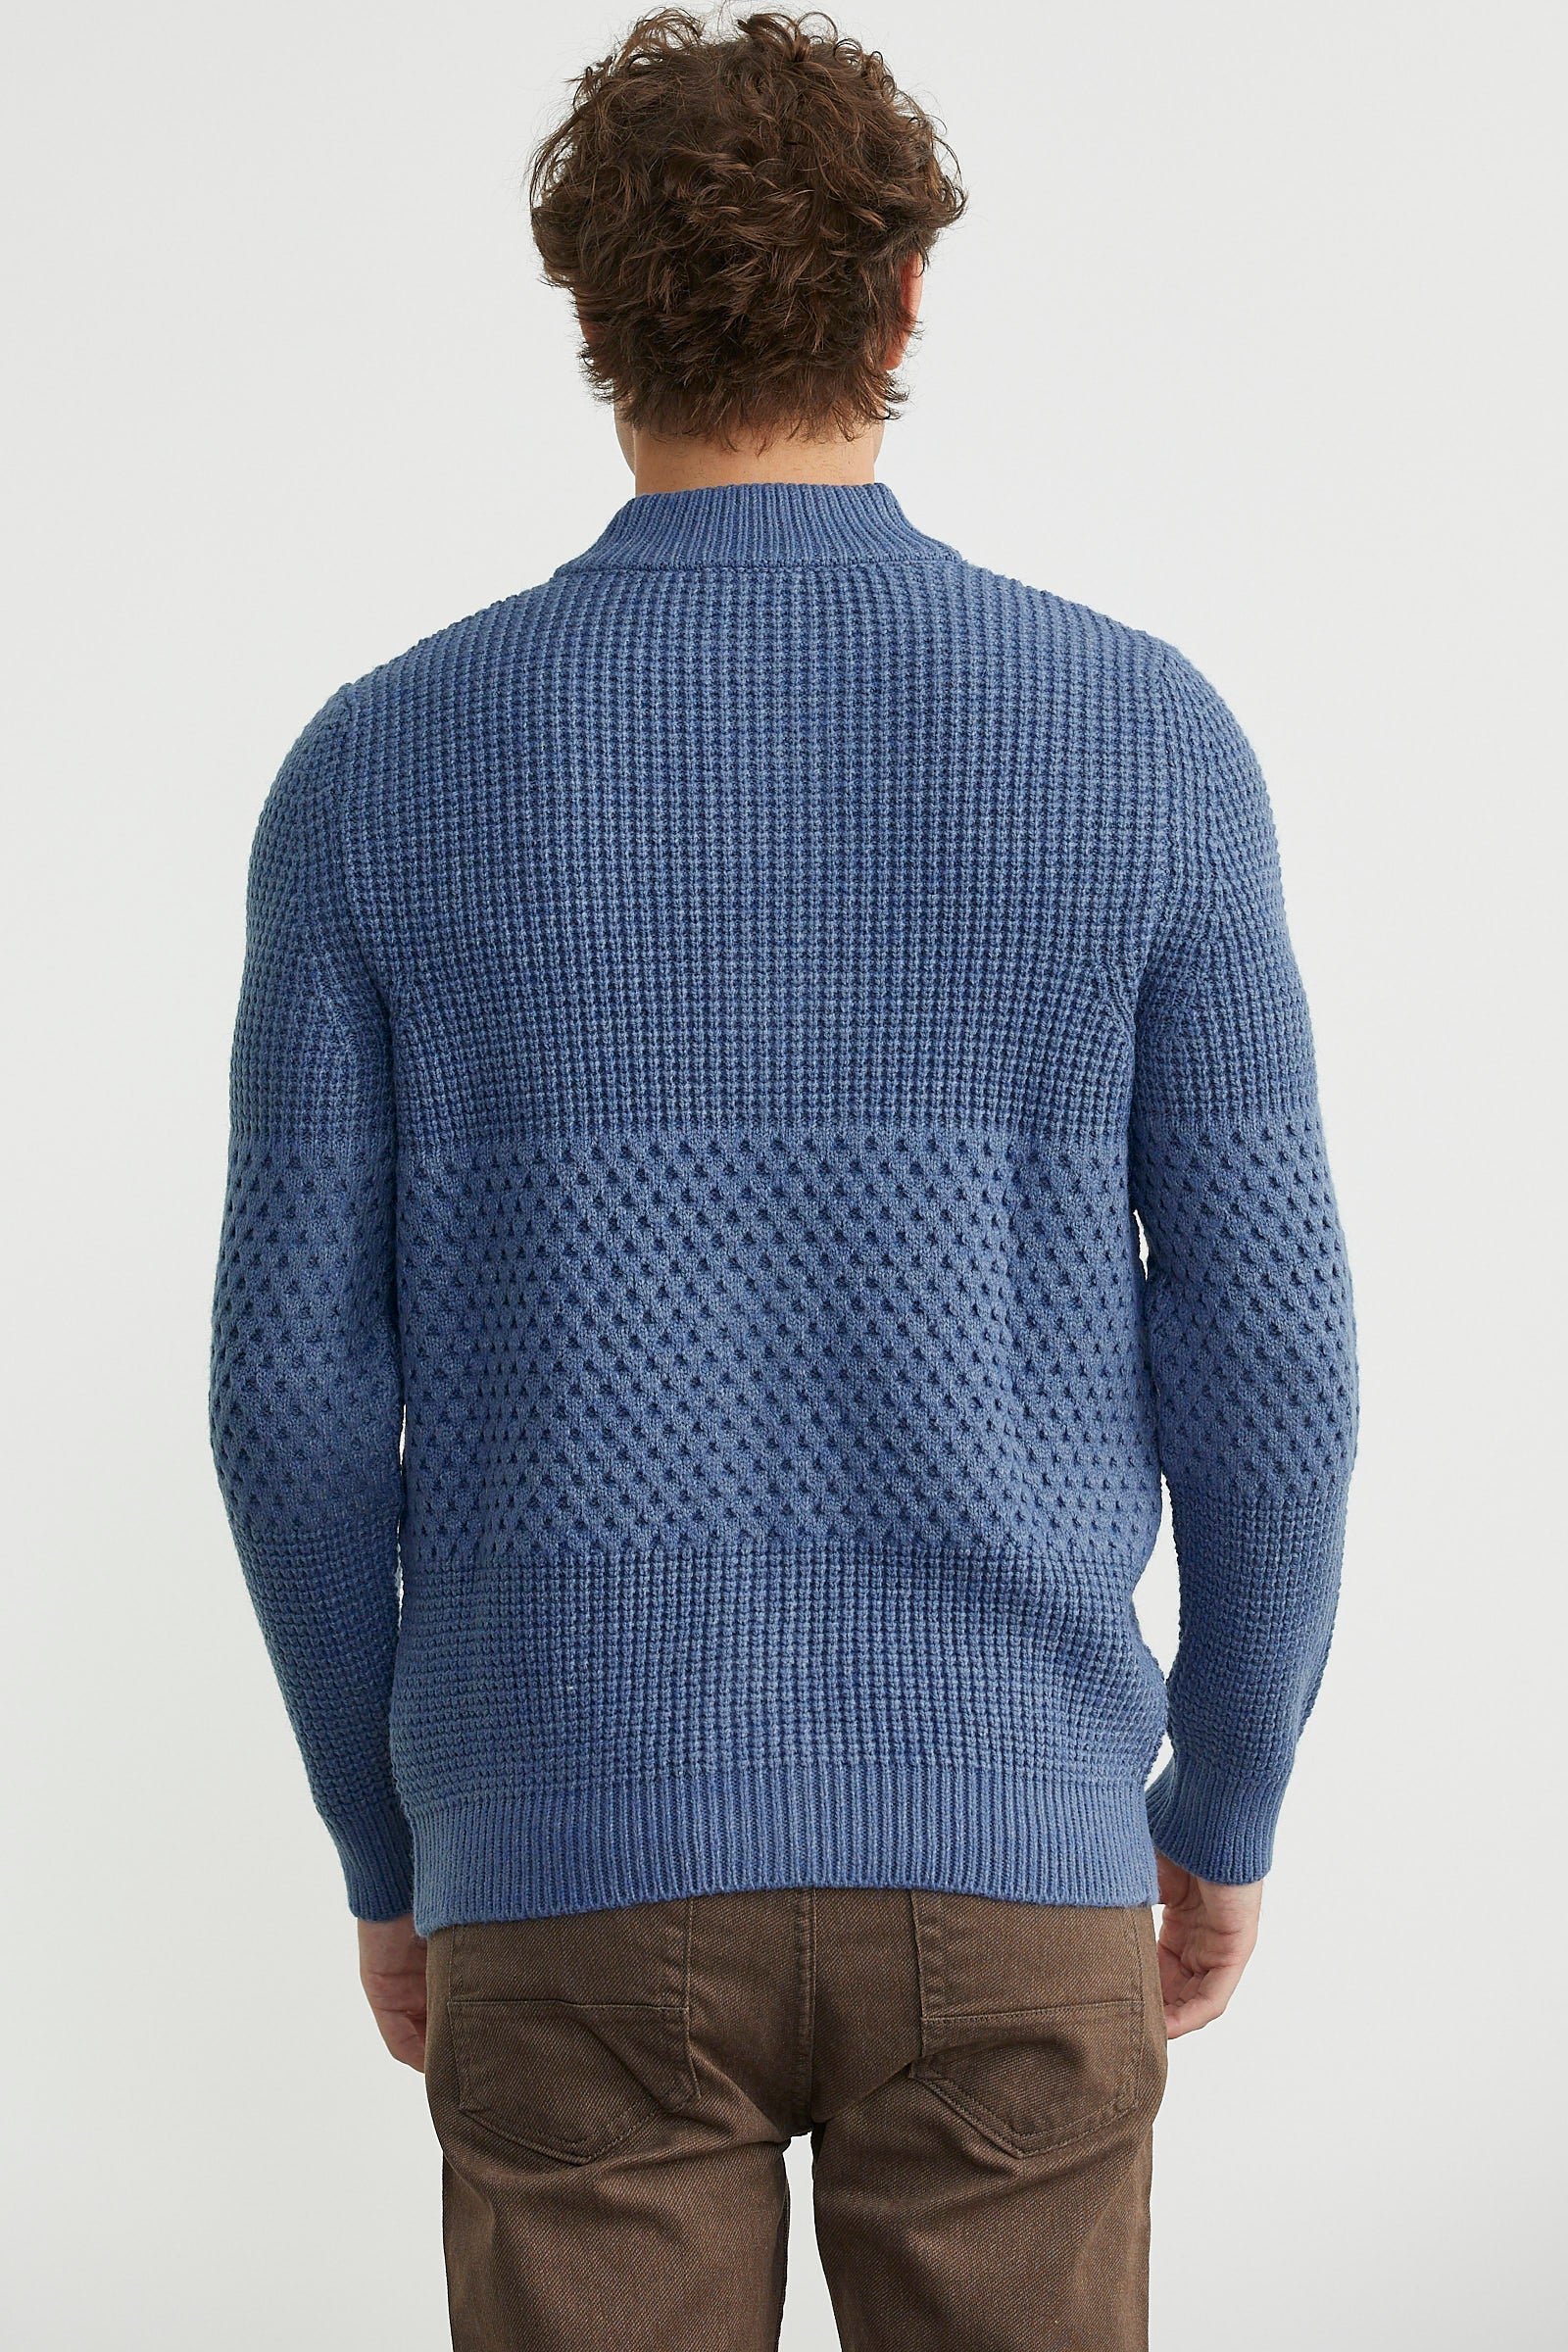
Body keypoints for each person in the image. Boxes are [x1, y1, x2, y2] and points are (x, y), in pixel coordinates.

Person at [209, 10, 1359, 2347]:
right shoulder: (1141, 736)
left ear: (587, 306)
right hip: (1015, 1854)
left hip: (558, 1856)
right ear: (905, 293)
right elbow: (1270, 1345)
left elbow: (288, 1390)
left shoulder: (377, 766)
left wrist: (383, 1835)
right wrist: (1216, 1801)